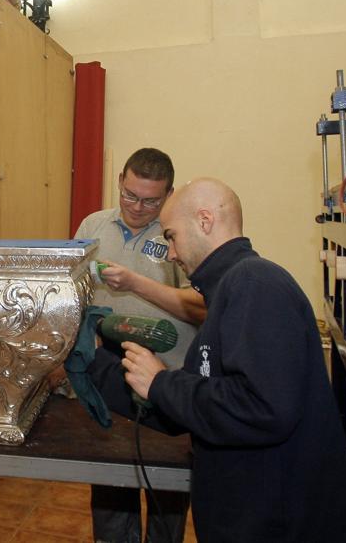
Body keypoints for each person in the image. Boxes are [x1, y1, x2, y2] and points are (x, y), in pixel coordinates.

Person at [117, 178, 346, 542]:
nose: (170, 253)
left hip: (278, 526)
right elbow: (212, 394)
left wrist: (162, 383)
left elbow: (263, 408)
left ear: (204, 220)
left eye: (171, 236)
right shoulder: (228, 290)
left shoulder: (255, 283)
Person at [71, 147, 203, 543]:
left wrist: (137, 284)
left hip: (169, 381)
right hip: (106, 375)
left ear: (169, 195)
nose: (137, 207)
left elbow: (204, 307)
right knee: (110, 485)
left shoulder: (183, 236)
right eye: (129, 195)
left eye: (150, 201)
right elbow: (71, 289)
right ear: (120, 182)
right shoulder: (93, 225)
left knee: (168, 494)